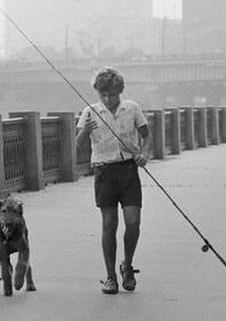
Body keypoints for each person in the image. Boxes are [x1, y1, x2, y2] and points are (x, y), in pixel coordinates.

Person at [76, 67, 151, 295]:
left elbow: (146, 135)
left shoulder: (133, 109)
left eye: (113, 94)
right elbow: (79, 144)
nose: (108, 99)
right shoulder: (90, 112)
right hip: (104, 172)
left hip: (128, 170)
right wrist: (84, 132)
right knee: (109, 225)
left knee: (133, 222)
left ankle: (127, 265)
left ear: (120, 91)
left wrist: (144, 154)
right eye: (104, 95)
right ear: (98, 93)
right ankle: (110, 277)